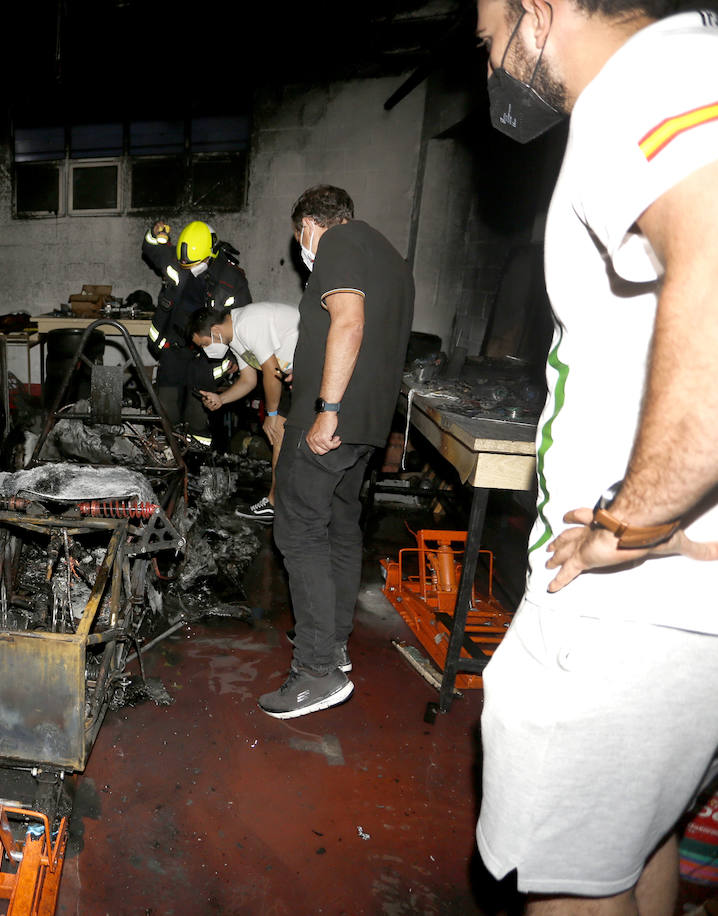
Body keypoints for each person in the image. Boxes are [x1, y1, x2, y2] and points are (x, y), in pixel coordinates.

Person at [472, 2, 718, 912]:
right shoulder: (695, 64)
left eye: (490, 40)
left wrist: (642, 513)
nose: (492, 66)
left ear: (536, 14)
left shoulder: (644, 80)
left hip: (631, 614)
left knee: (572, 892)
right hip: (681, 606)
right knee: (629, 855)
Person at [259, 185, 414, 719]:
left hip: (331, 424)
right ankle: (335, 647)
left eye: (299, 234)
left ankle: (315, 671)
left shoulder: (338, 244)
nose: (301, 246)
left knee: (298, 529)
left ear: (309, 225)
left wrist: (326, 407)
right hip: (368, 424)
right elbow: (365, 338)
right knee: (341, 528)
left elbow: (349, 320)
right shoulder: (389, 257)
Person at [187, 302, 300, 524]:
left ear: (216, 331)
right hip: (291, 375)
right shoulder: (234, 337)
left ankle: (276, 504)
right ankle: (279, 502)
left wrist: (272, 413)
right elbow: (249, 380)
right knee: (283, 438)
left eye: (204, 344)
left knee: (278, 432)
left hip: (309, 368)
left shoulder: (247, 323)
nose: (205, 351)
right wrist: (221, 398)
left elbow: (271, 370)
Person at [141, 219, 250, 447]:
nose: (187, 268)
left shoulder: (232, 281)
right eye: (184, 264)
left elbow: (242, 323)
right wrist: (153, 234)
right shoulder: (178, 262)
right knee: (166, 411)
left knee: (197, 413)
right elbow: (152, 249)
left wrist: (234, 358)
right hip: (174, 347)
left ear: (209, 255)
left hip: (208, 358)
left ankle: (196, 462)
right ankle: (166, 457)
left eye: (193, 264)